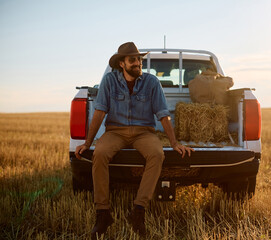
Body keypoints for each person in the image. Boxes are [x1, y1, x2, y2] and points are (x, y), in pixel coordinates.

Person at [75, 42, 194, 239]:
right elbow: (99, 112)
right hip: (115, 131)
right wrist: (88, 143)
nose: (138, 63)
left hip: (143, 133)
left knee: (157, 154)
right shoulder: (109, 81)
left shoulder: (152, 82)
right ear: (122, 63)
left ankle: (138, 212)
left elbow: (164, 114)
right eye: (133, 60)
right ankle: (103, 214)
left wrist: (174, 143)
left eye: (139, 59)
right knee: (100, 153)